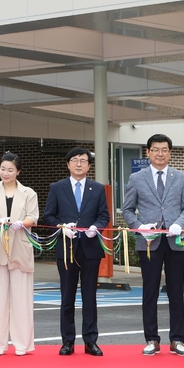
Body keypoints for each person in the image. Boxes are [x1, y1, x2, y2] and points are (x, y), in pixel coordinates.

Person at [121, 134, 184, 357]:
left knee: (176, 292)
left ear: (170, 153)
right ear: (148, 152)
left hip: (175, 242)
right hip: (149, 243)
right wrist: (140, 226)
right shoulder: (137, 178)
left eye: (164, 149)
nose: (160, 153)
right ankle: (152, 339)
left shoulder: (181, 177)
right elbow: (126, 210)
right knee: (150, 291)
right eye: (155, 149)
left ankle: (177, 340)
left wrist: (179, 224)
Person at [43, 147, 110, 357]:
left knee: (90, 297)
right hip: (67, 248)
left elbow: (104, 215)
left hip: (90, 248)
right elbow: (48, 216)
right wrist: (63, 227)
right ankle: (68, 341)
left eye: (83, 160)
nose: (79, 164)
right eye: (74, 160)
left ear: (89, 165)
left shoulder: (97, 189)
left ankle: (91, 341)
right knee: (67, 297)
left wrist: (95, 228)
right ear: (68, 164)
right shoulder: (57, 187)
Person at [0, 152, 40, 356]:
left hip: (20, 247)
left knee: (22, 298)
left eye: (10, 170)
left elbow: (33, 217)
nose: (5, 173)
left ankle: (22, 344)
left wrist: (23, 223)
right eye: (3, 169)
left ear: (18, 172)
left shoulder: (28, 192)